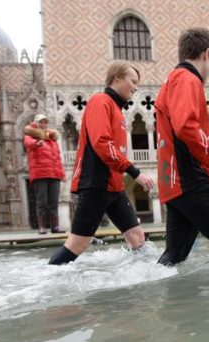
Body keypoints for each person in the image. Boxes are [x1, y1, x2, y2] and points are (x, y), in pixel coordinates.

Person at [48, 61, 155, 265]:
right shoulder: (101, 101)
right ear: (116, 78)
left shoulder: (116, 109)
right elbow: (102, 144)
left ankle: (145, 278)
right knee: (77, 244)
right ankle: (47, 281)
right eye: (132, 81)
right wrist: (135, 172)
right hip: (96, 184)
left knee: (137, 237)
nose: (136, 87)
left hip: (113, 187)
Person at [155, 28, 209, 266]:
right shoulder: (188, 79)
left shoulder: (173, 80)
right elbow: (187, 128)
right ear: (206, 54)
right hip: (189, 179)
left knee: (173, 257)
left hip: (174, 181)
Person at [24, 114, 66, 234]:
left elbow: (57, 158)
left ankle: (55, 227)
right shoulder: (30, 135)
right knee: (42, 201)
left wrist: (62, 173)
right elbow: (28, 144)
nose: (43, 124)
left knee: (53, 201)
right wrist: (37, 143)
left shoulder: (52, 139)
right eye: (41, 122)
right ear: (36, 123)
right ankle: (42, 227)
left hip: (54, 174)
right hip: (40, 173)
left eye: (45, 122)